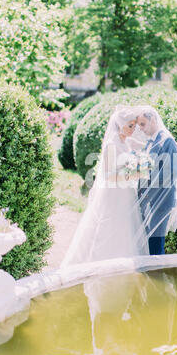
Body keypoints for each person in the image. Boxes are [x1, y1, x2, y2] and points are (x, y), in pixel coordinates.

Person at [61, 107, 149, 267]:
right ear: (120, 125)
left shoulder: (126, 141)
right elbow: (109, 176)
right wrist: (133, 174)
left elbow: (144, 146)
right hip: (113, 193)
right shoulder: (112, 144)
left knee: (126, 226)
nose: (133, 129)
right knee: (109, 225)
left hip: (126, 192)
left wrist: (142, 163)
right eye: (130, 125)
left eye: (134, 125)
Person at [136, 106, 177, 255]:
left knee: (156, 244)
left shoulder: (167, 141)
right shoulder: (151, 142)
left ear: (153, 120)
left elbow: (173, 172)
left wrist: (147, 180)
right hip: (150, 201)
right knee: (149, 243)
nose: (141, 129)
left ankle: (158, 276)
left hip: (162, 202)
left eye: (143, 124)